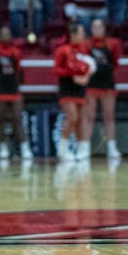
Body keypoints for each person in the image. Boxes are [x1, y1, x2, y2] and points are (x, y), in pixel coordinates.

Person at [0, 26, 32, 161]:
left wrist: (19, 84)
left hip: (13, 88)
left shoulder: (16, 52)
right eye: (3, 34)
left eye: (7, 34)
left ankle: (24, 147)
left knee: (17, 118)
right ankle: (3, 147)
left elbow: (19, 70)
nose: (5, 36)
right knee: (0, 120)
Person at [81, 18, 122, 161]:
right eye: (94, 27)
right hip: (91, 85)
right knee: (88, 117)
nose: (97, 29)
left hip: (107, 85)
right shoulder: (86, 44)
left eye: (100, 27)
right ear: (90, 29)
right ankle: (85, 148)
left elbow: (116, 63)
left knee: (109, 116)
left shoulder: (113, 44)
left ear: (104, 28)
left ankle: (112, 147)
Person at [53, 24, 93, 163]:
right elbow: (58, 70)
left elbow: (89, 67)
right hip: (67, 88)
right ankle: (62, 148)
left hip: (80, 88)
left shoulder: (84, 50)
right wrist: (73, 73)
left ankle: (81, 148)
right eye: (81, 32)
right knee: (72, 117)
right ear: (73, 35)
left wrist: (85, 77)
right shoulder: (62, 51)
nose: (83, 35)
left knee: (81, 119)